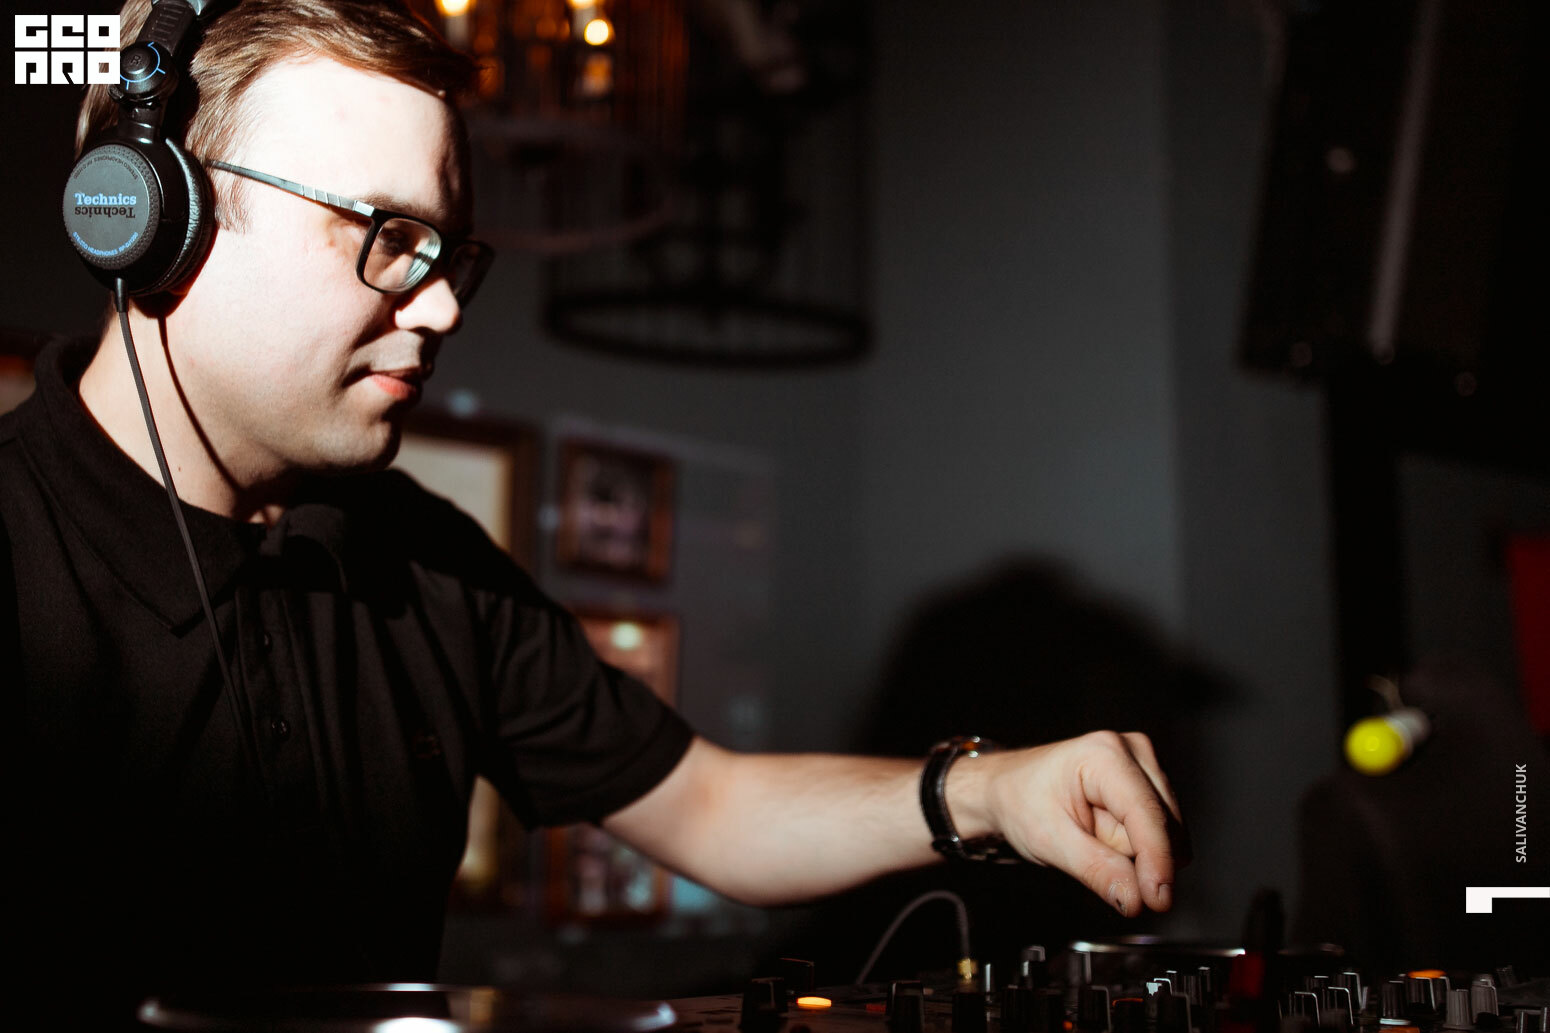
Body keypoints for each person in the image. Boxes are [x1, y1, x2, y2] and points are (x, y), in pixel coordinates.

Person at [1, 0, 1188, 1026]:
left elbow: (707, 806)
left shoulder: (421, 557)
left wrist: (983, 792)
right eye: (386, 236)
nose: (440, 307)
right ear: (150, 219)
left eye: (445, 254)